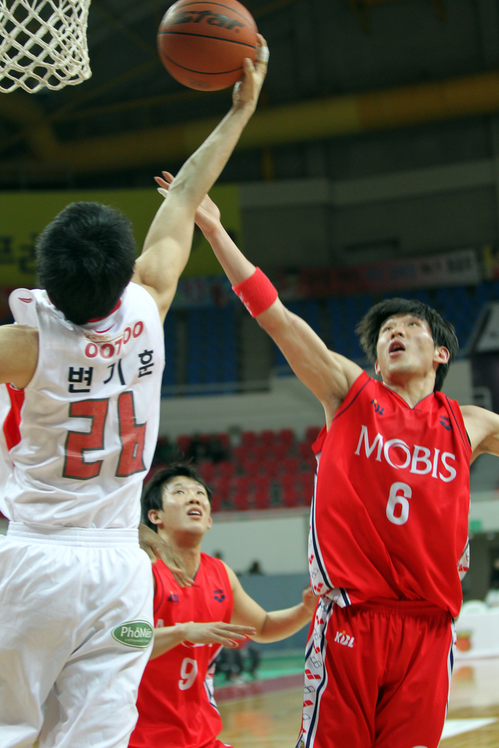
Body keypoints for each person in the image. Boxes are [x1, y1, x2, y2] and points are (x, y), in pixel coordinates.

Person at [154, 181, 499, 748]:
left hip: (431, 628)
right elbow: (276, 317)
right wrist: (215, 230)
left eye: (411, 326)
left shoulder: (469, 423)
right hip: (353, 619)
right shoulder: (350, 393)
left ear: (440, 352)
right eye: (387, 330)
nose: (395, 332)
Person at [0, 39, 268, 748]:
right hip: (121, 567)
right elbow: (183, 195)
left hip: (34, 562)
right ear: (122, 270)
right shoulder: (148, 303)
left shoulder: (22, 347)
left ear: (47, 281)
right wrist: (240, 110)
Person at [129, 463, 316, 748]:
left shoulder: (220, 573)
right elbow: (121, 646)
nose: (194, 498)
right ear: (155, 516)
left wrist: (305, 610)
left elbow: (263, 627)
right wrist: (183, 632)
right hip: (139, 739)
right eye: (179, 492)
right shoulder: (142, 568)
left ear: (209, 520)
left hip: (201, 737)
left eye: (200, 493)